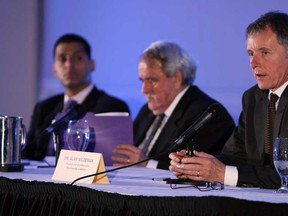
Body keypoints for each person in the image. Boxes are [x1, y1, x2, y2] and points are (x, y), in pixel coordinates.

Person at [169, 11, 288, 189]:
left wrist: (222, 173)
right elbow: (234, 156)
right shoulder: (252, 98)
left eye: (264, 52)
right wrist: (197, 167)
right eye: (250, 53)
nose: (253, 63)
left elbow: (284, 175)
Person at [112, 41, 235, 170]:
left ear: (176, 78)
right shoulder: (147, 111)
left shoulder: (209, 117)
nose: (144, 89)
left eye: (152, 80)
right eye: (142, 81)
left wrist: (146, 164)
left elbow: (193, 169)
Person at [24, 33, 130, 160]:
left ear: (91, 64)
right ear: (54, 70)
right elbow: (28, 154)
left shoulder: (113, 107)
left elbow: (119, 160)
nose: (69, 65)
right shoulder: (44, 108)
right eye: (62, 59)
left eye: (78, 58)